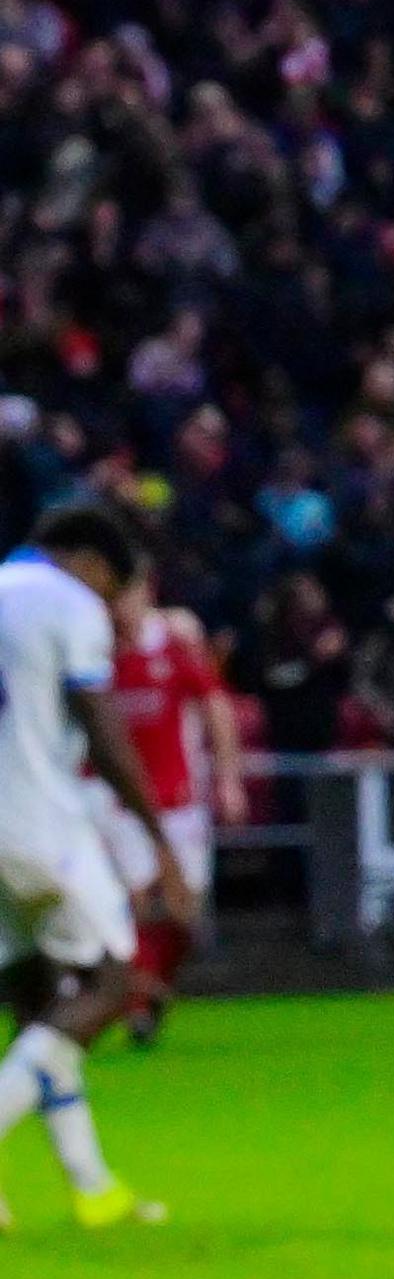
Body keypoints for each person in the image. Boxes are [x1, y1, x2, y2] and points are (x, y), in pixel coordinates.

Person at [0, 505, 190, 1231]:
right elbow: (104, 733)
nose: (111, 611)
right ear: (90, 562)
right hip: (38, 818)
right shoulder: (66, 602)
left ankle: (93, 1189)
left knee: (35, 1001)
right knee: (113, 980)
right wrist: (159, 841)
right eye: (113, 591)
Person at [87, 578, 240, 1043]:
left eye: (128, 598)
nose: (121, 610)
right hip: (117, 802)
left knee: (184, 912)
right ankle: (135, 1004)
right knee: (132, 903)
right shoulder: (92, 651)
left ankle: (150, 990)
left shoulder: (172, 648)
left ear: (146, 598)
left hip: (178, 802)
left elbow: (215, 703)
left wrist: (228, 778)